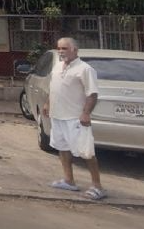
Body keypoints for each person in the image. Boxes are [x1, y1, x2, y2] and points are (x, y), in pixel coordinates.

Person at [43, 37, 106, 200]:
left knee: (86, 152)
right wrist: (47, 104)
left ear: (75, 50)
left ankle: (97, 186)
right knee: (62, 148)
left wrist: (86, 113)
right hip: (57, 116)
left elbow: (92, 94)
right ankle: (69, 180)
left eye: (64, 48)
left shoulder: (85, 69)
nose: (61, 51)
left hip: (75, 118)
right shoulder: (57, 67)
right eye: (59, 48)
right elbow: (54, 88)